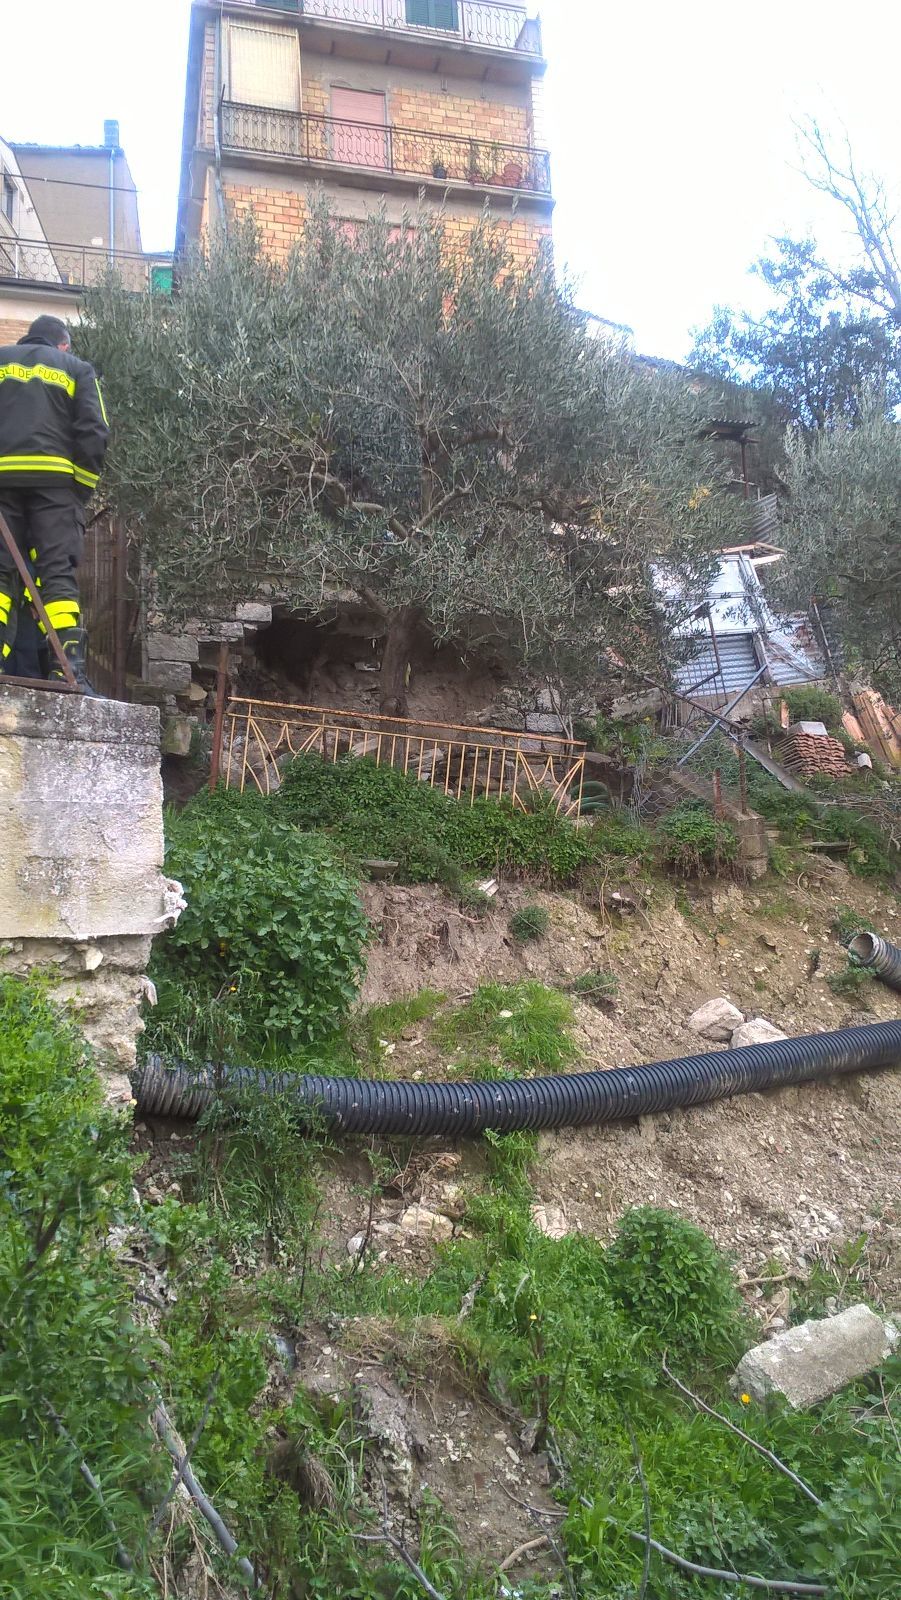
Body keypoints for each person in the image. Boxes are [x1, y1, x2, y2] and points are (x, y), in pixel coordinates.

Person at [0, 314, 109, 684]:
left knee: (0, 572)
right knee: (56, 572)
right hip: (55, 486)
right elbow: (95, 431)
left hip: (2, 481)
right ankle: (66, 668)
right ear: (63, 345)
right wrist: (80, 488)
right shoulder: (77, 368)